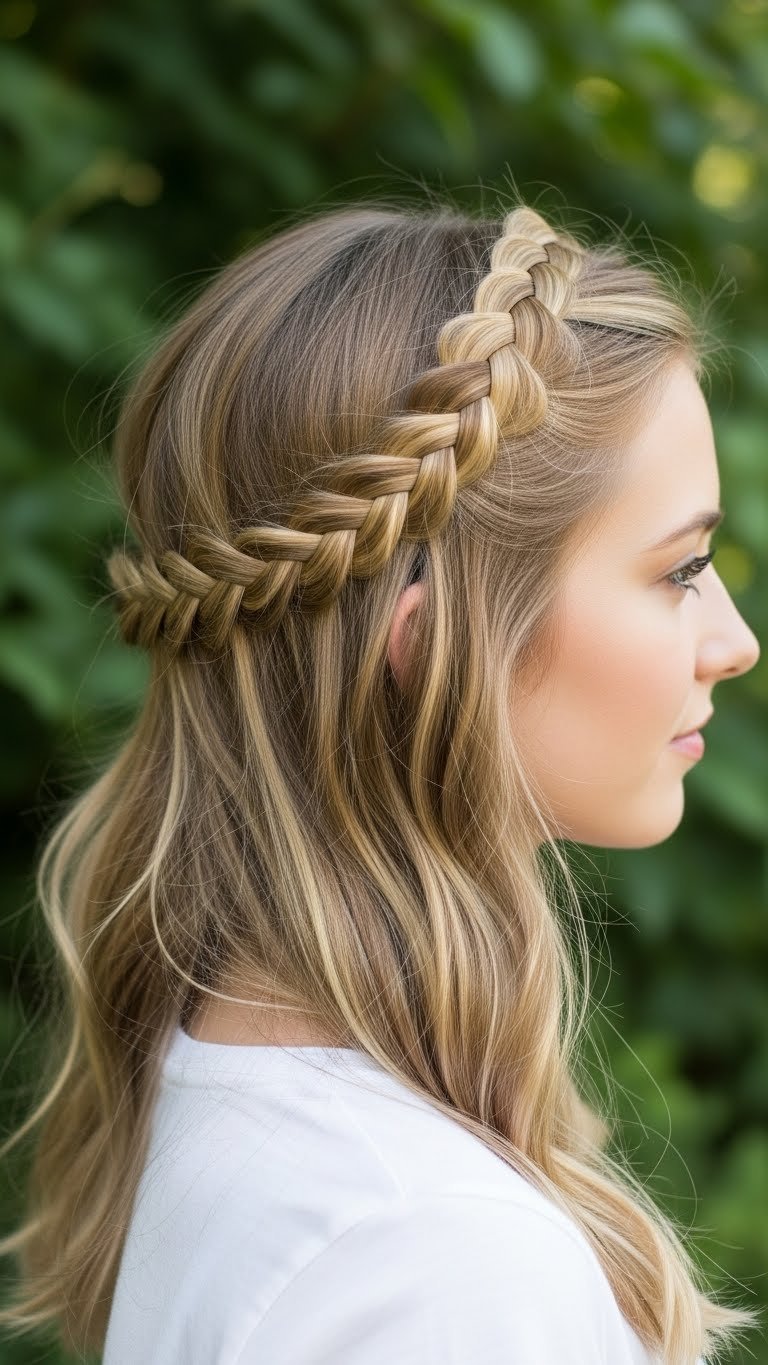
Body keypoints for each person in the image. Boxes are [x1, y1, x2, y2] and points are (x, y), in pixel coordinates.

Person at [0, 196, 760, 1364]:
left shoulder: (243, 1107)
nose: (734, 640)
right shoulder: (432, 1266)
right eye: (682, 569)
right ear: (426, 646)